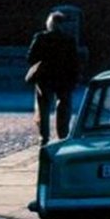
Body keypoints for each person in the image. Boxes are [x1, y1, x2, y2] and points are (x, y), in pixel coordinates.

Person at [27, 10, 79, 145]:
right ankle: (63, 135)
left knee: (43, 107)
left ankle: (44, 137)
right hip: (64, 77)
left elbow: (30, 58)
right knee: (64, 106)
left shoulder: (41, 37)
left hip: (45, 77)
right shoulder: (69, 39)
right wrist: (74, 79)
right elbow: (75, 61)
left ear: (49, 23)